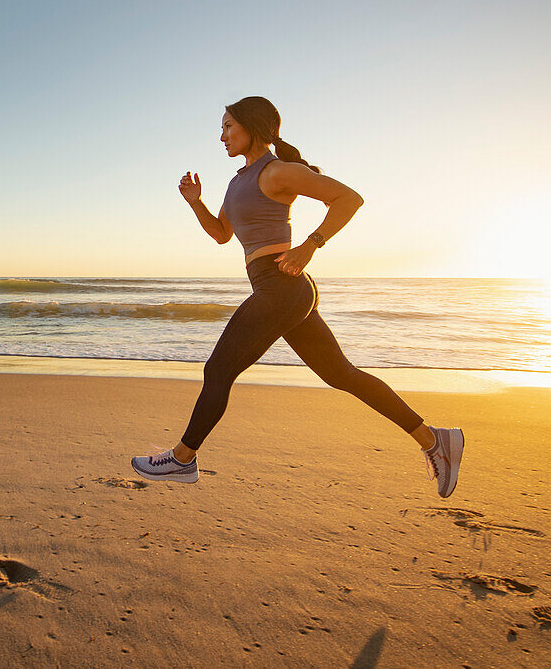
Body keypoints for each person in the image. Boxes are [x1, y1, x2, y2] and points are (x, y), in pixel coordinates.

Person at [131, 96, 464, 497]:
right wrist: (195, 202)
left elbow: (349, 198)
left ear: (253, 126)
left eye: (228, 126)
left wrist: (311, 244)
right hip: (282, 291)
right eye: (222, 128)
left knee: (218, 371)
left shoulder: (278, 172)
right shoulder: (238, 180)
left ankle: (182, 459)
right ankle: (433, 440)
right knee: (341, 375)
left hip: (281, 287)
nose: (221, 136)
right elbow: (222, 234)